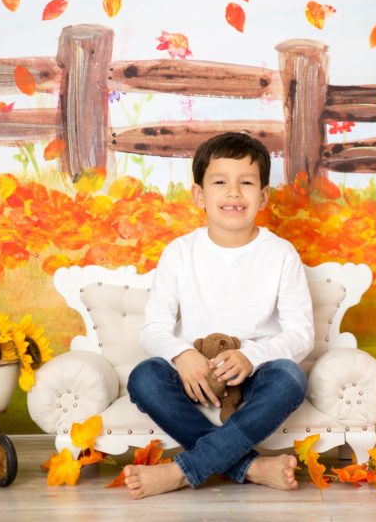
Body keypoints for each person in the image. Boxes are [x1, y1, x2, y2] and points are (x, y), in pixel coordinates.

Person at [124, 132, 314, 499]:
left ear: (263, 196)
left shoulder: (280, 254)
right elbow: (153, 329)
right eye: (220, 182)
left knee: (290, 377)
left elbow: (301, 333)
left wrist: (251, 356)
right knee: (145, 377)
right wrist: (183, 355)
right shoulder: (179, 252)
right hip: (195, 377)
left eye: (246, 183)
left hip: (255, 376)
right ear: (199, 195)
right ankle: (251, 467)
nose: (234, 193)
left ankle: (182, 472)